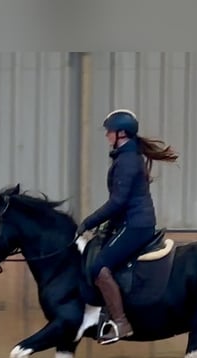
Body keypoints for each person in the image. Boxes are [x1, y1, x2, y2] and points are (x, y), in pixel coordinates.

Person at [76, 109, 179, 345]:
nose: (107, 136)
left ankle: (121, 322)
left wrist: (88, 222)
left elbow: (118, 202)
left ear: (121, 133)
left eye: (109, 132)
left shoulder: (128, 160)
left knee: (99, 268)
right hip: (130, 222)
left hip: (135, 225)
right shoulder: (127, 157)